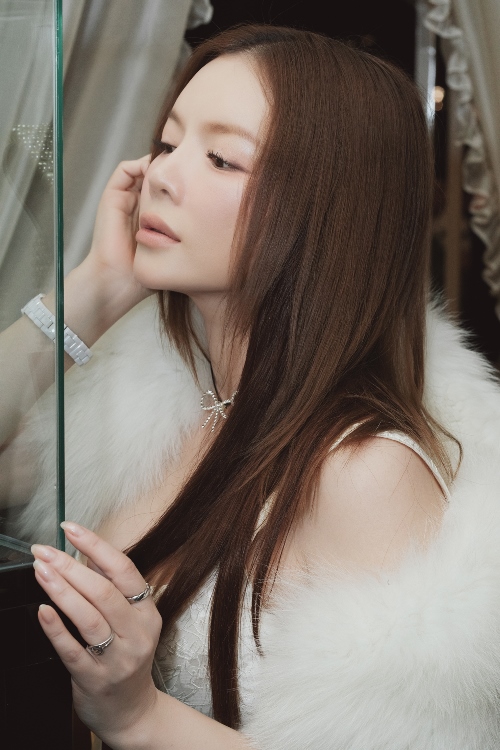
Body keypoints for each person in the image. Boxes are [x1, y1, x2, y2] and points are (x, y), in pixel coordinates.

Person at [3, 23, 500, 749]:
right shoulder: (157, 393)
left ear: (327, 211)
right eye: (167, 143)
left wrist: (139, 716)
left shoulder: (366, 473)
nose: (160, 175)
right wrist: (96, 290)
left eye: (221, 158)